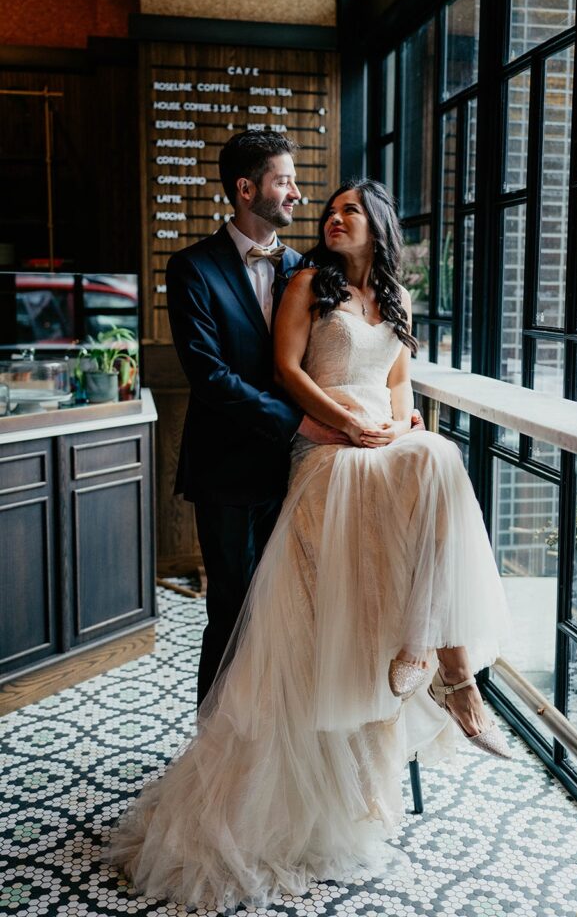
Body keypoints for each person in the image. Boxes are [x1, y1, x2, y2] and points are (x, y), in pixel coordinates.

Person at [107, 179, 511, 909]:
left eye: (346, 210)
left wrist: (401, 422)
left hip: (380, 447)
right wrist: (351, 427)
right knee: (441, 462)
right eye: (326, 210)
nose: (330, 217)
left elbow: (398, 387)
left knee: (434, 456)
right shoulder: (305, 286)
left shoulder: (395, 302)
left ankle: (433, 651)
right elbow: (290, 374)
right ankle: (451, 670)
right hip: (326, 450)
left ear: (377, 223)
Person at [165, 130, 345, 706]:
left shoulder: (306, 269)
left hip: (302, 470)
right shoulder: (192, 268)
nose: (296, 192)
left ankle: (271, 740)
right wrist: (295, 422)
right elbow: (209, 376)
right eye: (283, 180)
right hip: (228, 472)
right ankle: (214, 750)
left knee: (287, 609)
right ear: (246, 190)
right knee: (232, 611)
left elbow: (338, 353)